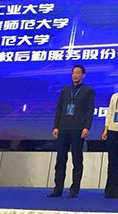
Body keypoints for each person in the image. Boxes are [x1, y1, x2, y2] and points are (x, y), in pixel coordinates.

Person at [48, 65, 96, 198]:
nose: (75, 75)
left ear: (83, 75)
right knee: (60, 159)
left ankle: (74, 189)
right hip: (63, 128)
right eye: (73, 73)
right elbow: (59, 109)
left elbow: (90, 111)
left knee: (77, 160)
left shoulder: (88, 90)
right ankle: (57, 189)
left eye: (78, 73)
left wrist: (86, 127)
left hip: (78, 129)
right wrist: (56, 126)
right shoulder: (65, 90)